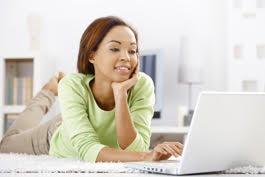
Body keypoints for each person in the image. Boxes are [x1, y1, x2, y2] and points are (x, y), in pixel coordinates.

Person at [0, 16, 183, 162]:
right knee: (6, 145)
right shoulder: (72, 84)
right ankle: (48, 91)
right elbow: (88, 150)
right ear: (91, 55)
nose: (126, 57)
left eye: (132, 50)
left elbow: (135, 150)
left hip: (85, 115)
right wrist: (147, 156)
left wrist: (120, 94)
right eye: (114, 49)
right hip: (58, 135)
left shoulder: (142, 84)